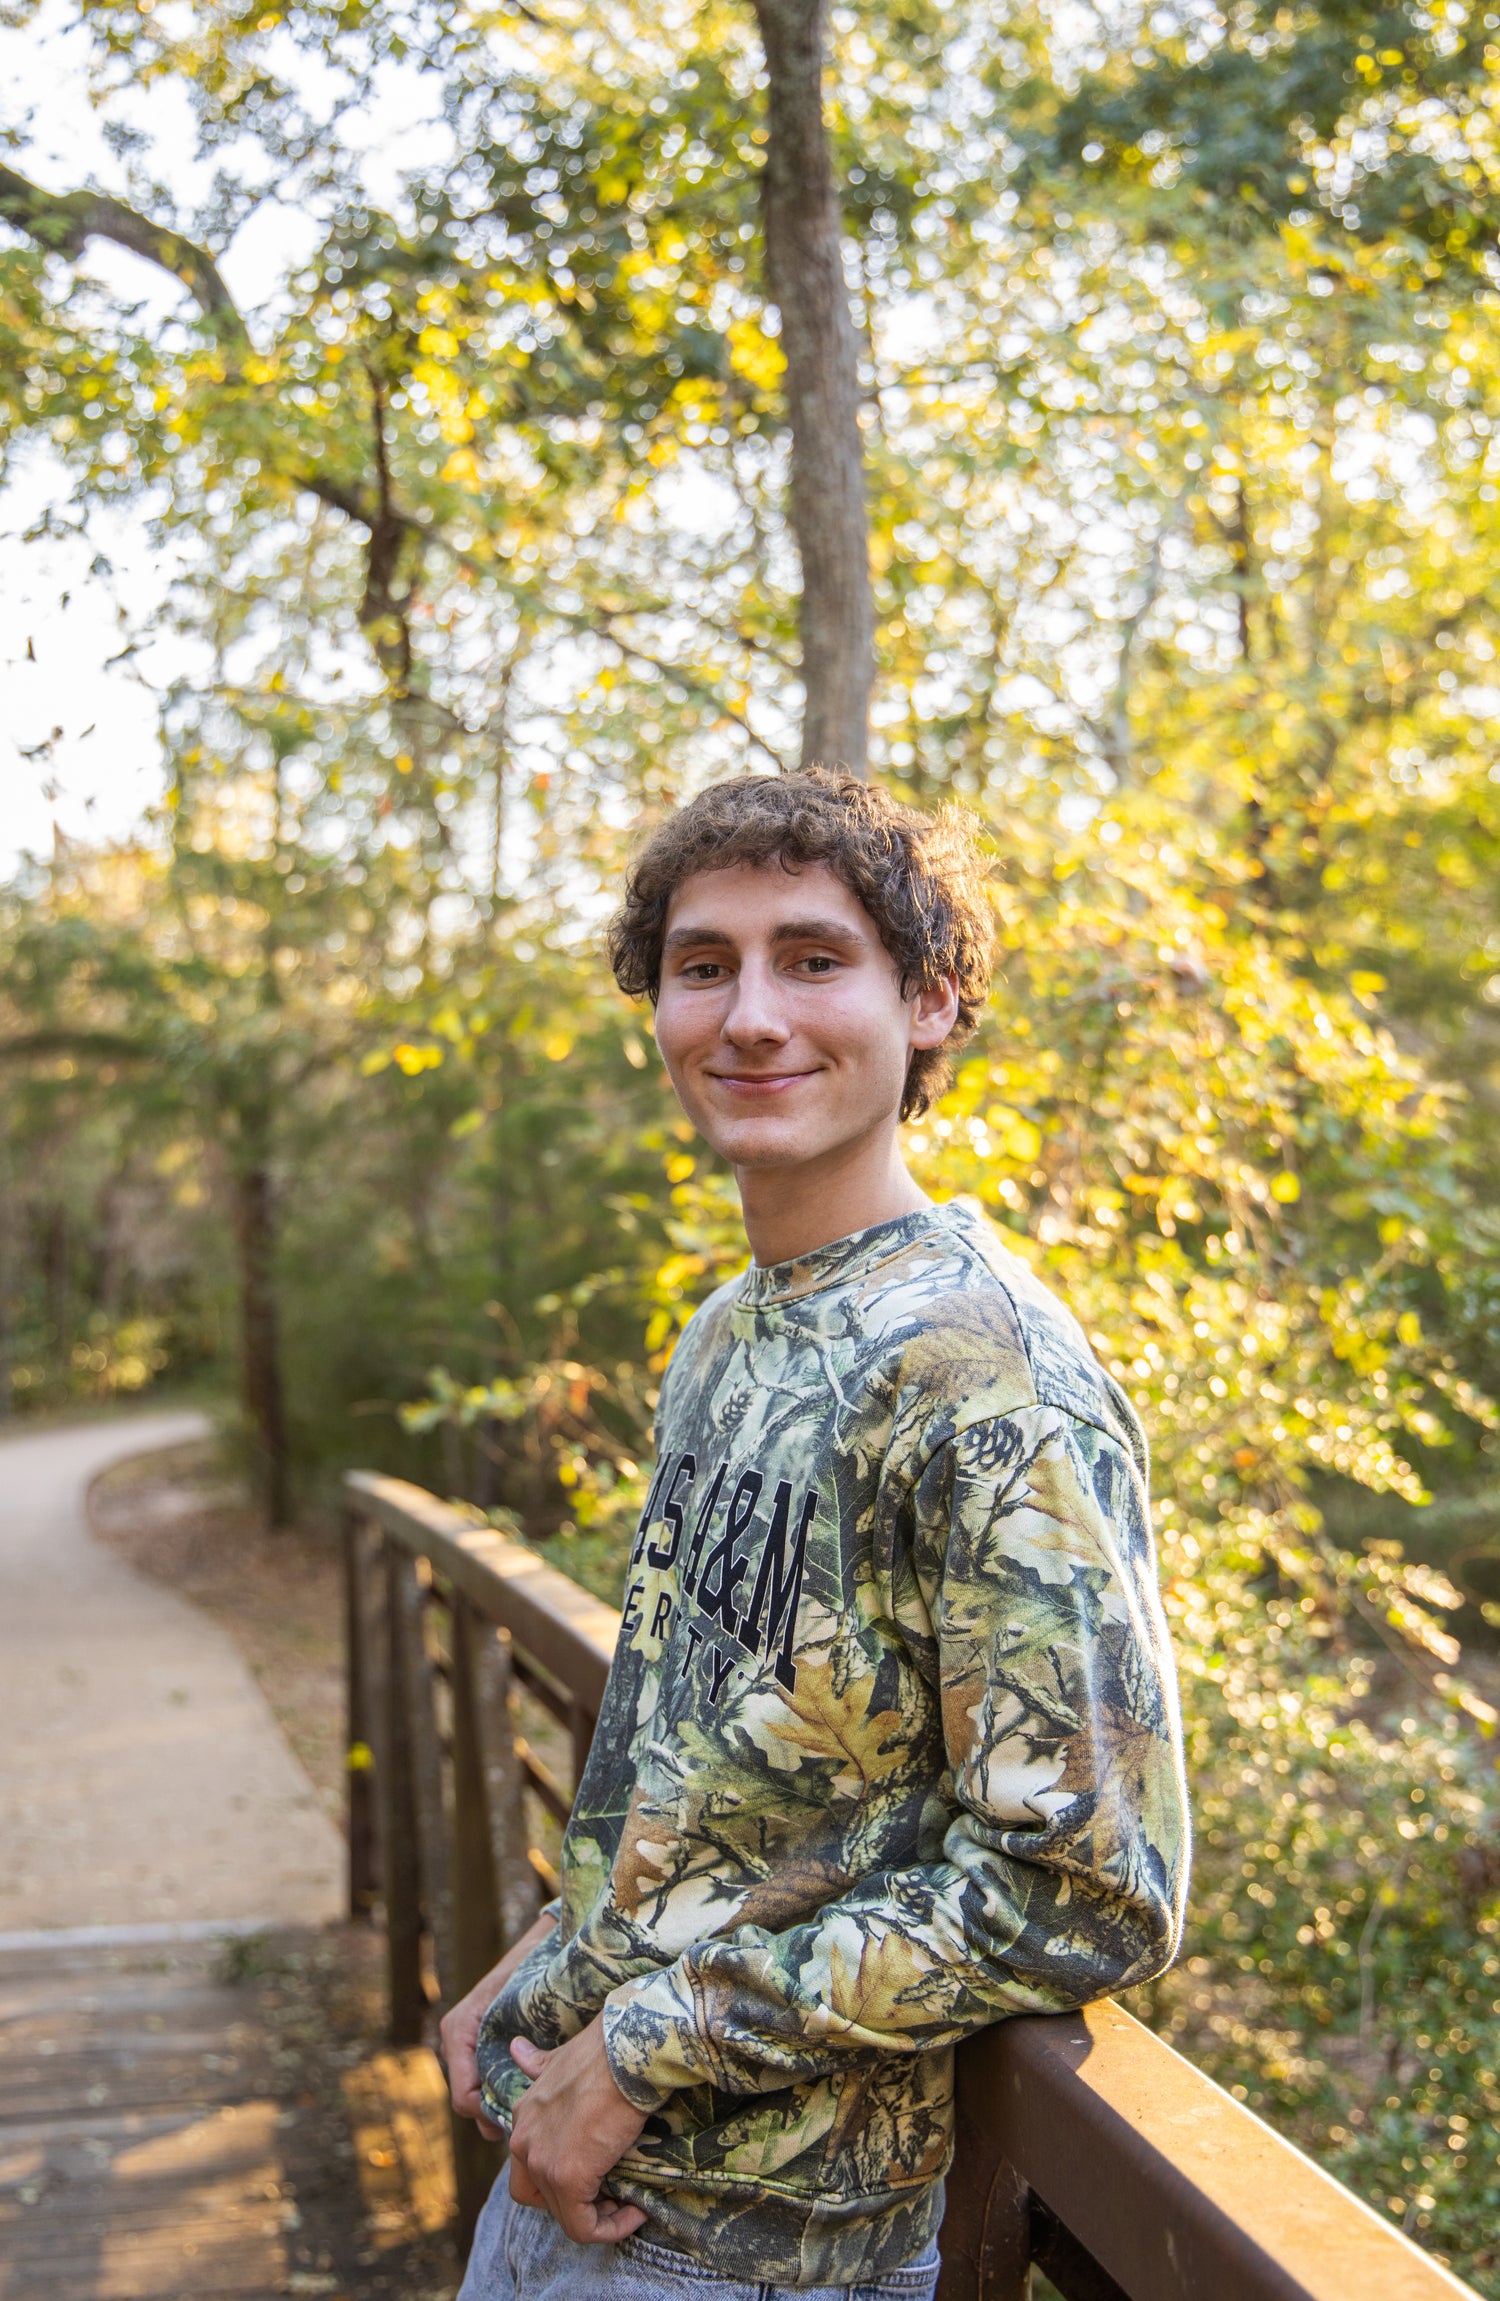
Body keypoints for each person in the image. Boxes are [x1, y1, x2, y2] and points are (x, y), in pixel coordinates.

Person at [442, 769, 1189, 2301]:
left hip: (759, 2260)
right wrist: (553, 1955)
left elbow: (1091, 1887)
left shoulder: (986, 1378)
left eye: (814, 957)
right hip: (568, 2154)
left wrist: (644, 2041)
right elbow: (713, 1753)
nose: (749, 1014)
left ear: (934, 1002)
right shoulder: (730, 1333)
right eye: (702, 964)